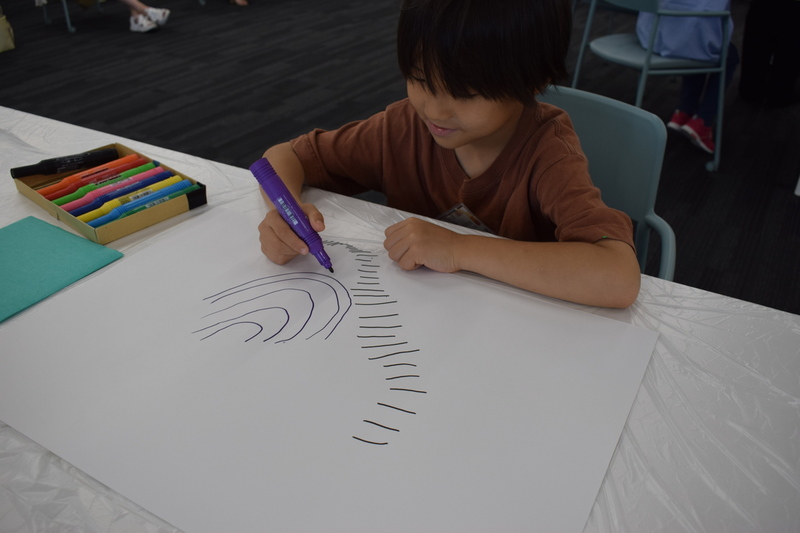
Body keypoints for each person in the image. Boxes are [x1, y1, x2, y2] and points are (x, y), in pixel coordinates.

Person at [256, 0, 641, 309]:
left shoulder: (547, 152)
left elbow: (618, 276)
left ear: (534, 82)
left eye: (465, 93)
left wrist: (458, 248)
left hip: (512, 334)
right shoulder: (403, 127)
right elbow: (283, 157)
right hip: (421, 319)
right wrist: (285, 215)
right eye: (419, 79)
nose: (435, 110)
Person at [637, 0, 738, 154]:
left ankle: (684, 111)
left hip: (651, 35)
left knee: (697, 46)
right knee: (727, 55)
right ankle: (702, 122)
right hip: (686, 39)